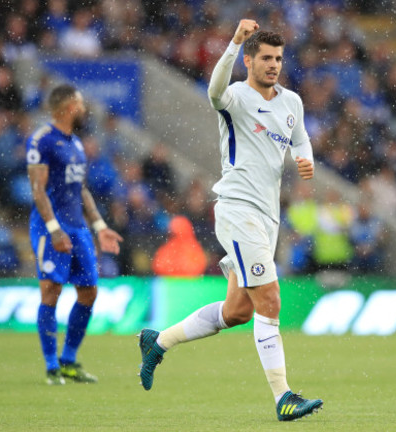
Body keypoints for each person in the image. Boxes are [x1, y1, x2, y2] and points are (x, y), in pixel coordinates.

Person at [137, 19, 323, 421]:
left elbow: (301, 137)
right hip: (238, 210)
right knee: (270, 300)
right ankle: (284, 397)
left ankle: (157, 342)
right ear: (250, 61)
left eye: (278, 58)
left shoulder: (291, 103)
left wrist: (303, 157)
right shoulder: (236, 96)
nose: (273, 65)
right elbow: (213, 90)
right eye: (266, 58)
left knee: (237, 310)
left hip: (267, 217)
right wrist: (234, 43)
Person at [26, 84, 123, 385]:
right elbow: (37, 189)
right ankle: (52, 366)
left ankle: (69, 360)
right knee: (51, 291)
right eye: (81, 103)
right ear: (68, 106)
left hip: (78, 226)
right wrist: (54, 229)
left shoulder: (77, 144)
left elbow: (80, 189)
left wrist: (99, 225)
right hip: (50, 226)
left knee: (89, 292)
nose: (85, 109)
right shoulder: (42, 140)